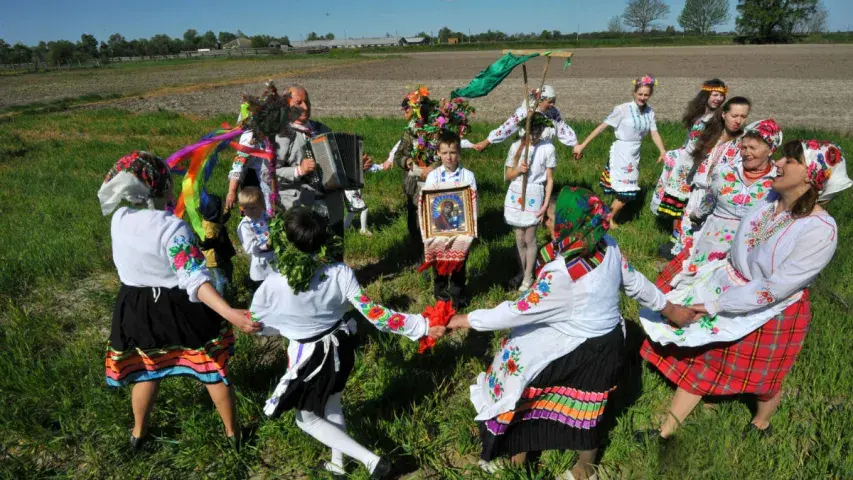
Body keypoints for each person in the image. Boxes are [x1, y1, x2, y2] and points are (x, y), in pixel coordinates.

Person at [446, 187, 693, 480]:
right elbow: (637, 284)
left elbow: (517, 310)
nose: (545, 223)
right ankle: (541, 458)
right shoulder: (605, 245)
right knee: (587, 410)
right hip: (609, 342)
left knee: (542, 395)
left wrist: (462, 320)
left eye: (551, 218)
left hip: (588, 349)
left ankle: (576, 469)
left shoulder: (564, 273)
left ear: (569, 224)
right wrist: (670, 309)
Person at [637, 139, 852, 442]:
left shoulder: (820, 230)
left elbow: (774, 287)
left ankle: (761, 424)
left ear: (810, 176)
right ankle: (665, 432)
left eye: (789, 160)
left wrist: (716, 303)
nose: (777, 162)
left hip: (772, 308)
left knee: (765, 382)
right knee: (704, 358)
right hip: (729, 282)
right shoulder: (769, 198)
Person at [250, 207, 445, 479]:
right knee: (332, 403)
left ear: (285, 241)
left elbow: (256, 325)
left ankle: (372, 462)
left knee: (306, 418)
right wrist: (422, 325)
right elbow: (375, 313)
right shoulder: (339, 271)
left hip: (310, 359)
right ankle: (338, 463)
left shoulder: (274, 283)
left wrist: (287, 328)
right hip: (341, 347)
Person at [97, 151, 261, 451]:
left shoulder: (119, 218)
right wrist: (231, 313)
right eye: (169, 183)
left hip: (135, 307)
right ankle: (233, 435)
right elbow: (195, 280)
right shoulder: (173, 228)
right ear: (159, 188)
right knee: (212, 368)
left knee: (147, 370)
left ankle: (138, 434)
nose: (175, 187)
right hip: (178, 308)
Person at [663, 117, 780, 289]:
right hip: (715, 239)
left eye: (753, 148)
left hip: (750, 246)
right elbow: (707, 203)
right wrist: (696, 217)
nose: (746, 152)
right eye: (744, 147)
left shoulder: (778, 180)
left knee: (735, 289)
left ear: (770, 150)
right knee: (698, 285)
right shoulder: (725, 172)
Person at [273, 85, 371, 238]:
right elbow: (269, 173)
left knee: (335, 255)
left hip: (332, 209)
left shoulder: (322, 129)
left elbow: (338, 168)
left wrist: (358, 168)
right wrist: (298, 170)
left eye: (308, 102)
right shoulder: (281, 135)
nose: (305, 107)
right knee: (310, 258)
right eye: (299, 103)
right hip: (301, 212)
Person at [573, 75, 667, 228]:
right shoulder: (622, 109)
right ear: (634, 93)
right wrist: (583, 145)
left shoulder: (650, 112)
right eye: (640, 94)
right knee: (626, 192)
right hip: (621, 153)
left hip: (634, 153)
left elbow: (654, 132)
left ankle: (604, 214)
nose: (643, 98)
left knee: (627, 190)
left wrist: (662, 150)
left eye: (646, 95)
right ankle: (608, 217)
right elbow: (602, 127)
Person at [651, 79, 728, 257]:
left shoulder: (718, 118)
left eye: (721, 95)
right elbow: (690, 140)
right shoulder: (699, 113)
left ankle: (686, 239)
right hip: (685, 162)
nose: (718, 98)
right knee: (678, 203)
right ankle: (675, 236)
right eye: (715, 94)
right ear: (706, 95)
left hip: (699, 164)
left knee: (689, 203)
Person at [424, 131, 478, 308]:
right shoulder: (433, 176)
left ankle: (458, 296)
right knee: (440, 263)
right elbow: (427, 203)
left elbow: (472, 201)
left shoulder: (467, 176)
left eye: (453, 152)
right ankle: (441, 295)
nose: (449, 157)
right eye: (445, 153)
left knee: (459, 263)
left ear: (459, 152)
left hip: (461, 229)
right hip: (438, 231)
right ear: (438, 153)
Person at [503, 112, 556, 291]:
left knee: (530, 237)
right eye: (530, 132)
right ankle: (521, 270)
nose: (534, 136)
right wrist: (519, 170)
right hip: (516, 192)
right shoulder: (516, 147)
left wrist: (545, 204)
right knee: (519, 237)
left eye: (538, 131)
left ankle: (528, 275)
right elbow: (507, 175)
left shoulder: (547, 148)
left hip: (534, 194)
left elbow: (549, 179)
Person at [225, 80, 280, 213]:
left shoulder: (272, 132)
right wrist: (232, 191)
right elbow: (238, 164)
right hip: (254, 182)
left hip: (269, 178)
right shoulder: (250, 138)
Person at [471, 85, 578, 151]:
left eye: (554, 101)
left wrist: (575, 145)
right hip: (527, 151)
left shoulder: (553, 112)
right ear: (540, 100)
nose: (553, 105)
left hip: (546, 152)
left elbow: (562, 128)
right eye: (549, 102)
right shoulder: (526, 111)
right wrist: (487, 141)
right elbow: (507, 127)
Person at [198, 193, 237, 296]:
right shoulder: (210, 227)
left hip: (222, 254)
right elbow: (209, 241)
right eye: (221, 209)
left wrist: (228, 210)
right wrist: (206, 243)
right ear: (215, 212)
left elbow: (223, 219)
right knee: (221, 279)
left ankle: (228, 289)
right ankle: (220, 299)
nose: (222, 211)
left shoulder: (213, 219)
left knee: (228, 269)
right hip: (216, 258)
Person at [237, 186, 276, 284]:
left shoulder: (266, 216)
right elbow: (250, 248)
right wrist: (265, 245)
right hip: (261, 265)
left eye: (253, 208)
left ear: (262, 205)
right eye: (246, 208)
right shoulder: (245, 225)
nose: (249, 211)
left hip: (275, 259)